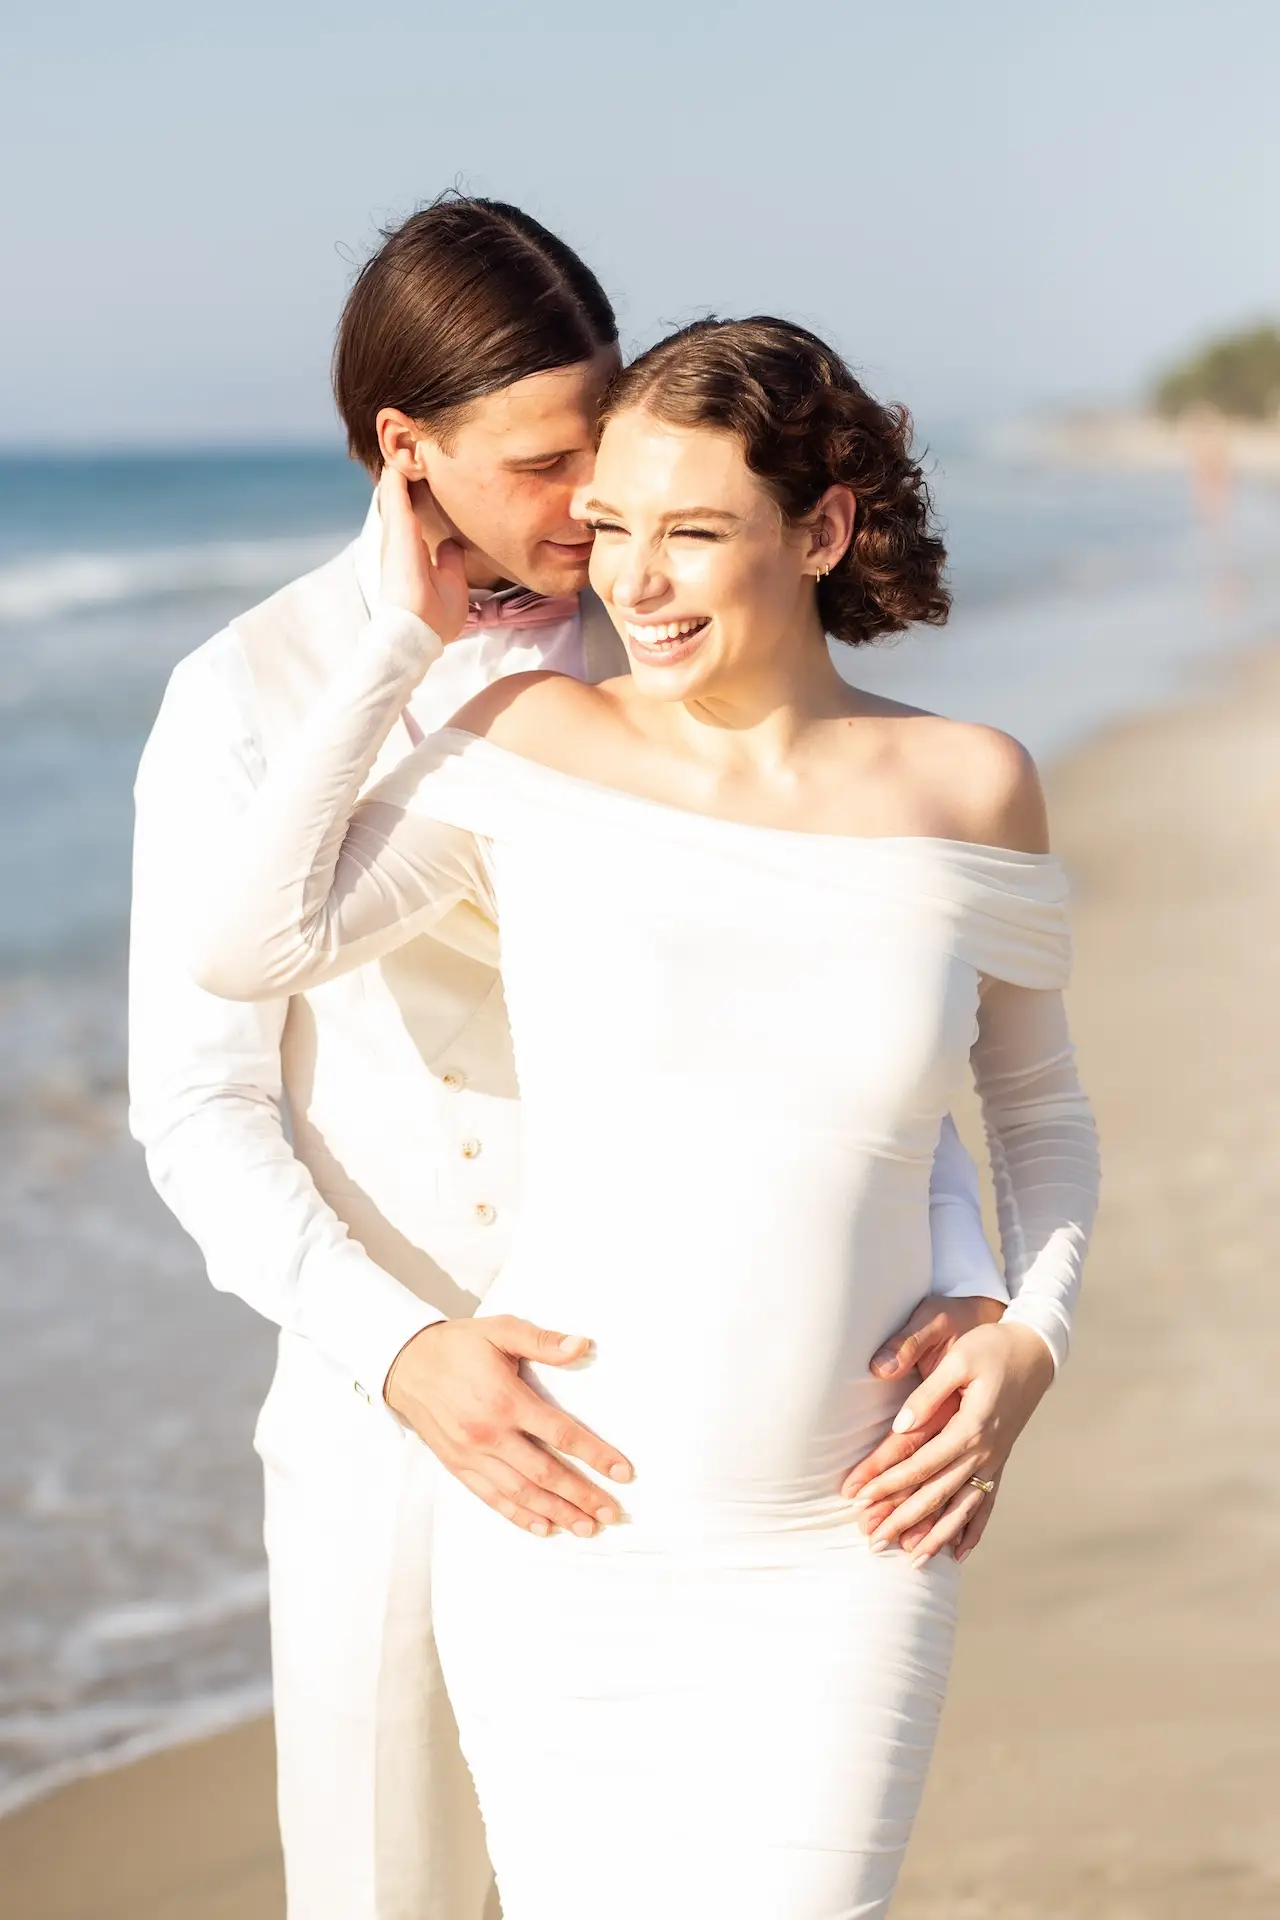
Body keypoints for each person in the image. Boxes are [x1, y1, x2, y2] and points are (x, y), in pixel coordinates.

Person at [128, 202, 1008, 1920]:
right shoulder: (238, 695)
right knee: (389, 1892)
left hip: (715, 1407)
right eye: (546, 465)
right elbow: (200, 1102)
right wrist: (403, 1353)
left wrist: (967, 1285)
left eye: (602, 450)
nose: (593, 517)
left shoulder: (675, 637)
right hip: (395, 1400)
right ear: (407, 454)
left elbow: (867, 1024)